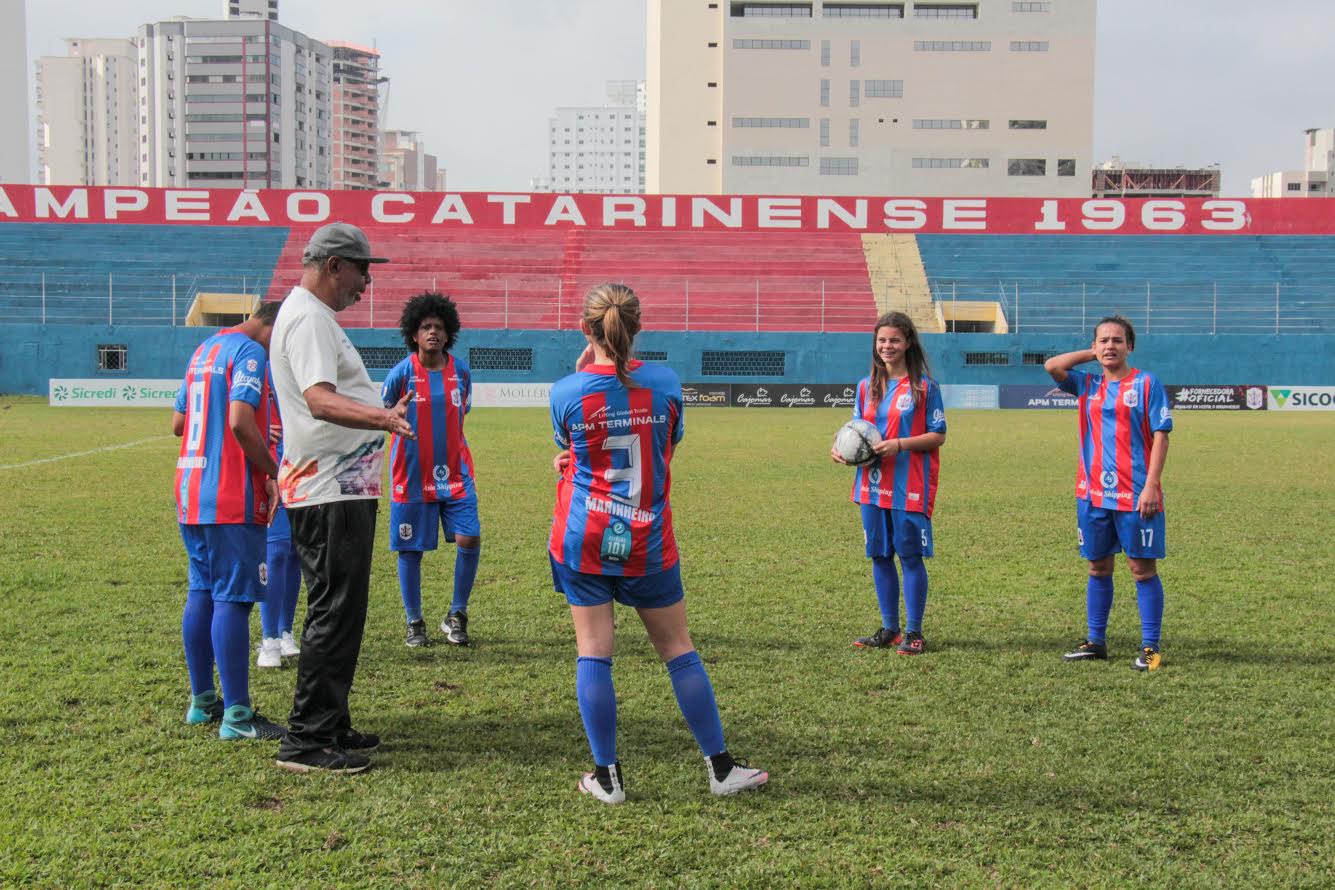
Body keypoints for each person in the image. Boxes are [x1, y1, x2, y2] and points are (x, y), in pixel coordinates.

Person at [548, 282, 768, 805]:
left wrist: (586, 372)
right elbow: (665, 450)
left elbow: (575, 446)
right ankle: (720, 768)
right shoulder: (666, 382)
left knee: (594, 652)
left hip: (586, 535)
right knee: (677, 649)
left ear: (585, 330)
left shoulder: (567, 391)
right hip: (646, 535)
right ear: (639, 328)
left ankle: (607, 778)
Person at [268, 222, 414, 774]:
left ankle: (331, 722)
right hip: (328, 486)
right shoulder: (308, 318)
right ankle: (306, 739)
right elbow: (319, 400)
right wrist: (383, 417)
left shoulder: (311, 315)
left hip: (335, 485)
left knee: (342, 607)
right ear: (333, 265)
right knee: (334, 608)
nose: (367, 282)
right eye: (362, 269)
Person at [173, 301, 286, 741]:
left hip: (190, 488)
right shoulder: (249, 352)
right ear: (272, 326)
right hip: (230, 493)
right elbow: (241, 421)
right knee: (234, 599)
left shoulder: (203, 350)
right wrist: (273, 472)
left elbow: (178, 423)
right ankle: (238, 716)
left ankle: (203, 702)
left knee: (202, 589)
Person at [1045, 316, 1172, 672]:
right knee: (1098, 567)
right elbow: (1052, 365)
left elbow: (1161, 434)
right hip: (1092, 494)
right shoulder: (1086, 385)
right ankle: (1096, 642)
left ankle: (1151, 648)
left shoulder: (1146, 383)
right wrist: (1094, 353)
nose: (1110, 346)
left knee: (1141, 569)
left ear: (1130, 346)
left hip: (1136, 494)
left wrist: (1151, 485)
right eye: (1103, 340)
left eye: (1118, 340)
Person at [832, 311, 946, 656]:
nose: (887, 346)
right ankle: (889, 628)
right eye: (882, 340)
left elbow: (938, 435)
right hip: (870, 483)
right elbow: (855, 429)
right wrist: (839, 448)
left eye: (894, 340)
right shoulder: (866, 386)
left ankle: (914, 632)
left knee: (909, 557)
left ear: (908, 342)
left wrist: (899, 444)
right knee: (880, 556)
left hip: (909, 484)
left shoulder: (924, 387)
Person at [381, 293, 481, 648]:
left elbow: (461, 413)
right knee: (411, 551)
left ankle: (457, 614)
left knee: (470, 538)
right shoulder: (401, 374)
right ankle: (414, 621)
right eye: (426, 327)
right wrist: (396, 419)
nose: (433, 333)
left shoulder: (461, 372)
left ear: (448, 333)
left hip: (456, 474)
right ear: (414, 334)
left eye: (439, 327)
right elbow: (384, 415)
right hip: (410, 476)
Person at [255, 368, 302, 668]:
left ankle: (286, 631)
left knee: (296, 552)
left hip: (304, 466)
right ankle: (269, 638)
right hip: (271, 466)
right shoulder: (257, 362)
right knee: (277, 550)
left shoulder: (301, 359)